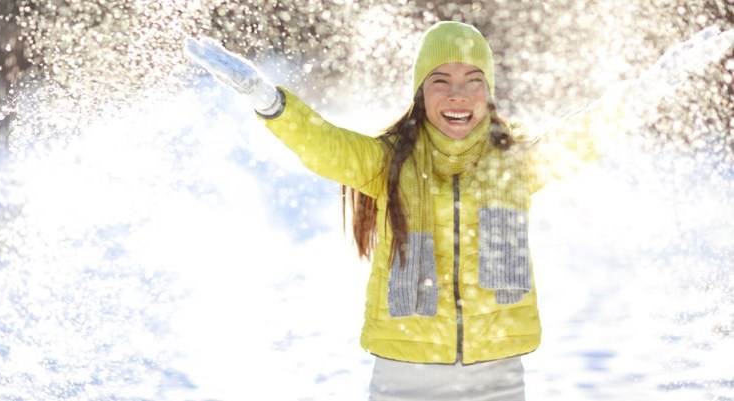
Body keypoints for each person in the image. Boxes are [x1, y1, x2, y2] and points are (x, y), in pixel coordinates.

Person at [184, 21, 734, 401]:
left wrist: (657, 83)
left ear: (489, 94)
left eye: (474, 81)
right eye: (441, 80)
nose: (458, 95)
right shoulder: (387, 163)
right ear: (421, 92)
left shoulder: (514, 165)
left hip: (498, 379)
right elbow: (324, 144)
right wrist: (267, 98)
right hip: (404, 378)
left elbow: (588, 132)